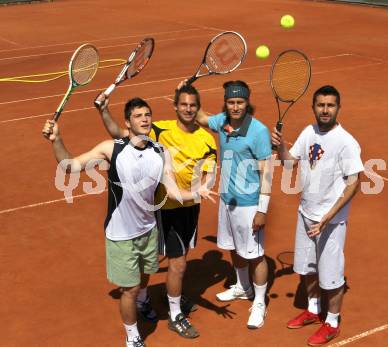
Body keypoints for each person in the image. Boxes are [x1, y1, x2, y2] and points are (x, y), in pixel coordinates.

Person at [42, 96, 215, 347]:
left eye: (147, 115)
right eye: (138, 116)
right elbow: (69, 167)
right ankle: (133, 337)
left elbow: (172, 190)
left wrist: (197, 193)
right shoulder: (111, 149)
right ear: (128, 122)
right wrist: (56, 140)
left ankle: (144, 303)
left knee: (144, 278)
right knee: (130, 289)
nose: (144, 119)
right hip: (121, 234)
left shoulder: (159, 151)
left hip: (148, 230)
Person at [96, 84, 217, 339]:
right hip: (163, 208)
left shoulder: (206, 139)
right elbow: (122, 135)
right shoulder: (158, 128)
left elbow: (209, 173)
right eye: (183, 104)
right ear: (175, 106)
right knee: (179, 264)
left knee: (170, 262)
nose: (187, 109)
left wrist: (203, 188)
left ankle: (145, 298)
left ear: (198, 108)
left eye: (192, 105)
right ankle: (174, 314)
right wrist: (104, 112)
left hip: (189, 207)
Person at [271, 85, 364, 346]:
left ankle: (332, 321)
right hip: (305, 213)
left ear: (338, 108)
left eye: (330, 105)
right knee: (308, 268)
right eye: (320, 105)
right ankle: (313, 309)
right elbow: (290, 162)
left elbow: (354, 183)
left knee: (332, 275)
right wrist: (280, 147)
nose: (325, 110)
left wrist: (328, 216)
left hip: (330, 222)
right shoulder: (308, 132)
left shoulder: (346, 141)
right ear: (313, 107)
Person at [194, 80, 273, 329]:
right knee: (233, 248)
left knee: (256, 255)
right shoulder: (223, 122)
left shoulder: (258, 131)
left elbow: (267, 173)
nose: (235, 106)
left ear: (247, 102)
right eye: (231, 102)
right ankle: (242, 286)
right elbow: (201, 118)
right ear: (226, 103)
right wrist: (185, 91)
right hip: (227, 200)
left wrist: (262, 210)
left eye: (240, 102)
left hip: (249, 205)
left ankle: (259, 302)